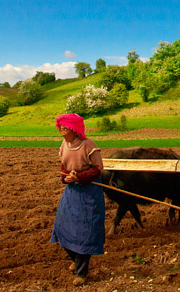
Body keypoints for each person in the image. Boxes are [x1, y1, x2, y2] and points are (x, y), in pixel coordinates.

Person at [50, 113, 105, 286]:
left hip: (89, 191)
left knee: (84, 231)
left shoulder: (89, 146)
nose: (62, 130)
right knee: (62, 227)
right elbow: (64, 166)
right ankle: (75, 259)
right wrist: (65, 177)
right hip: (72, 191)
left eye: (65, 127)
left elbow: (97, 169)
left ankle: (82, 272)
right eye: (61, 127)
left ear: (74, 129)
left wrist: (80, 177)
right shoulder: (64, 145)